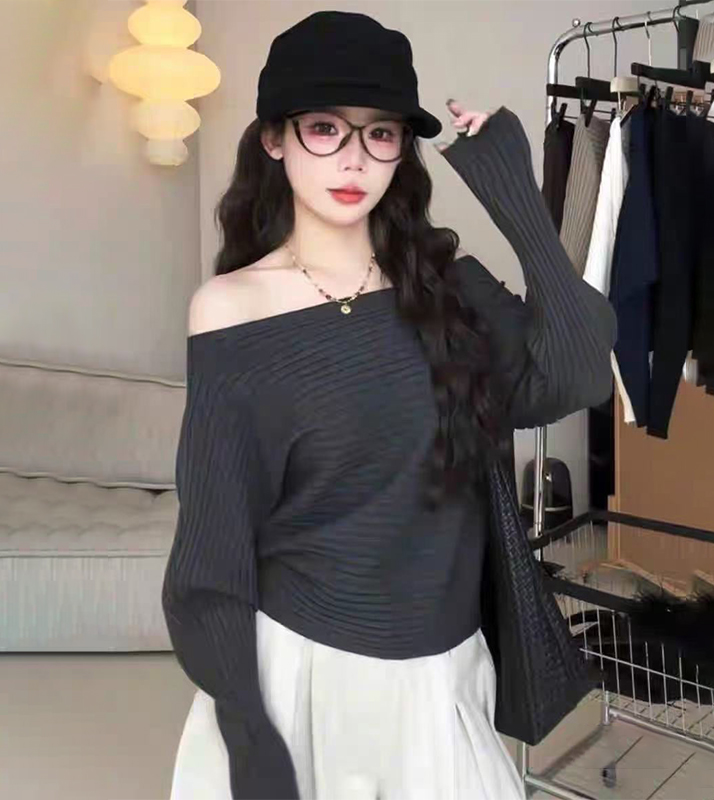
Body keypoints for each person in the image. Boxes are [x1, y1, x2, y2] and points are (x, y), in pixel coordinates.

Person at [162, 10, 616, 800]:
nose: (354, 159)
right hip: (301, 677)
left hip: (442, 679)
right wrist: (249, 733)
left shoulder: (450, 290)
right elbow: (213, 552)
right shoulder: (233, 310)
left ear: (403, 149)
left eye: (380, 134)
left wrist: (513, 191)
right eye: (325, 129)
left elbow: (578, 375)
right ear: (274, 139)